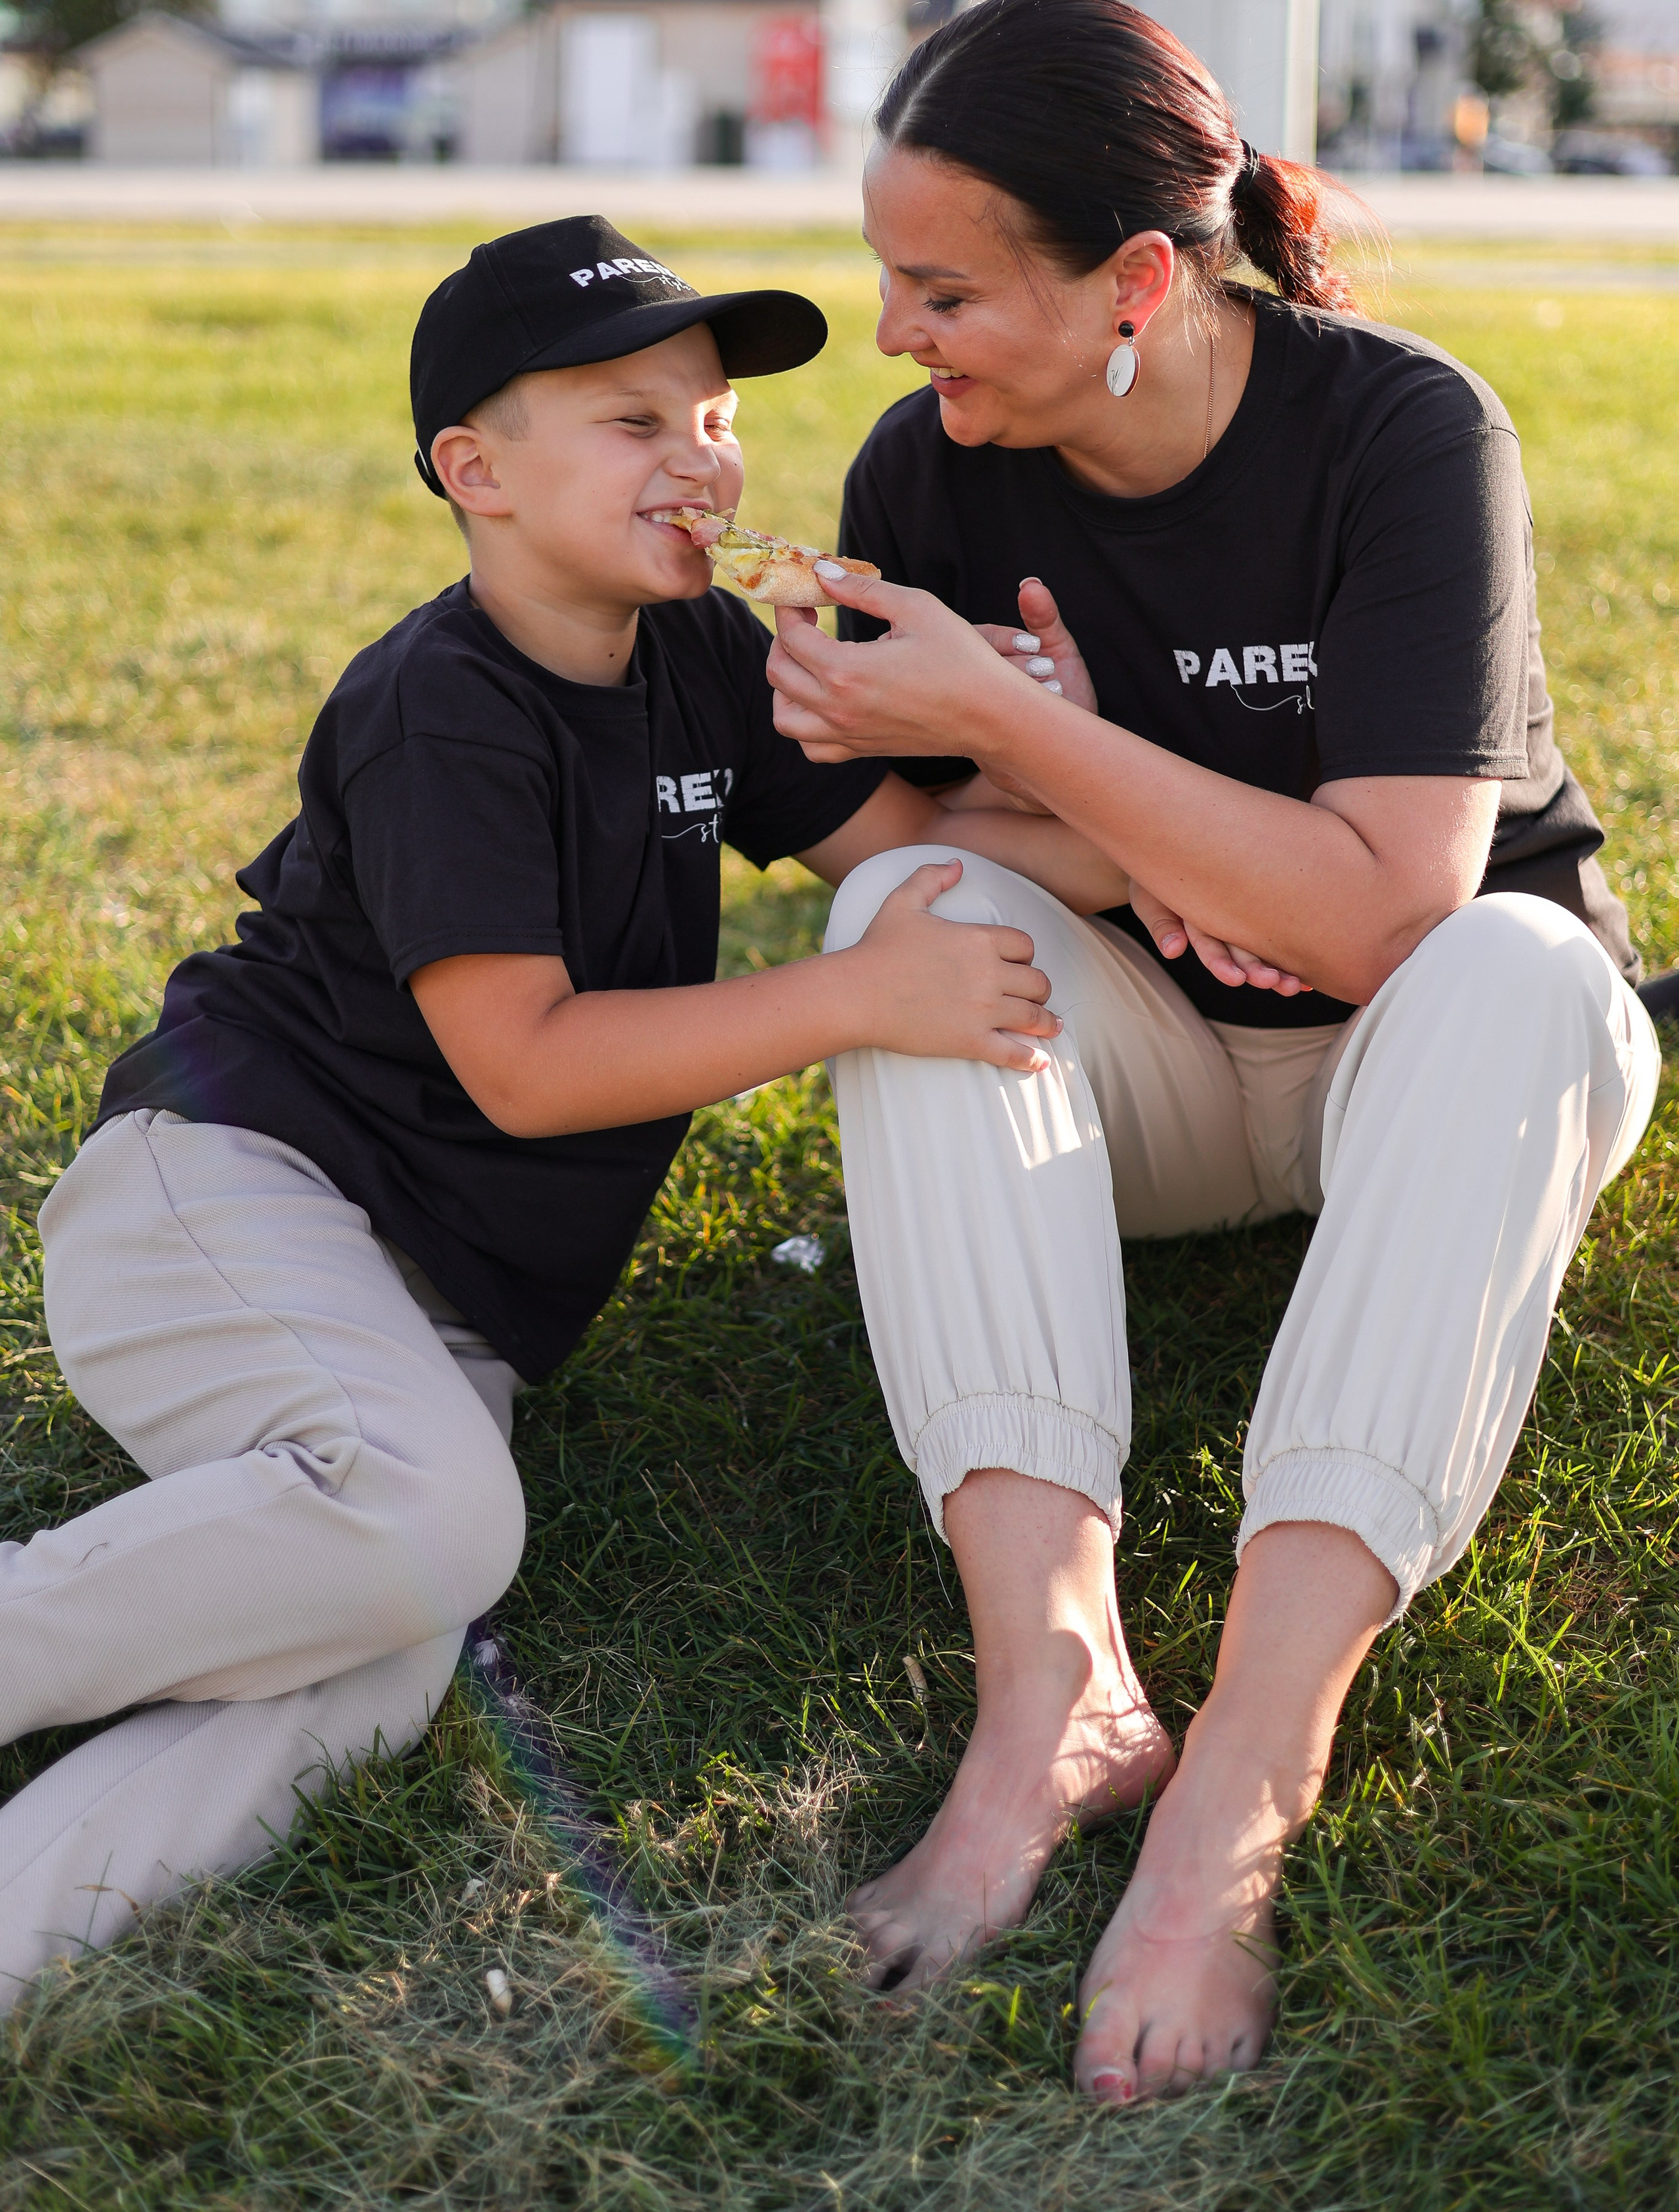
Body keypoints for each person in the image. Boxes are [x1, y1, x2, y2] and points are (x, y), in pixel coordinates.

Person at [1, 216, 1125, 2003]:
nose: (702, 458)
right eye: (633, 422)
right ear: (476, 472)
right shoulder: (439, 707)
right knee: (439, 1528)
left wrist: (1031, 741)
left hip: (435, 1304)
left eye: (718, 417)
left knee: (383, 1652)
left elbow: (912, 858)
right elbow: (521, 1063)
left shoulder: (690, 660)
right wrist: (846, 998)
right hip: (227, 1199)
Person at [757, 0, 1663, 2102]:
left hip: (1425, 1079)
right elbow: (900, 834)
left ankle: (1249, 1765)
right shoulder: (938, 471)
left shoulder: (1406, 434)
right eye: (893, 277)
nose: (897, 335)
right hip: (1166, 1065)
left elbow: (1388, 908)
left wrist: (1019, 726)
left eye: (946, 289)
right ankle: (1050, 1687)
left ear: (1139, 284)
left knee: (1525, 969)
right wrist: (1042, 810)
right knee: (911, 920)